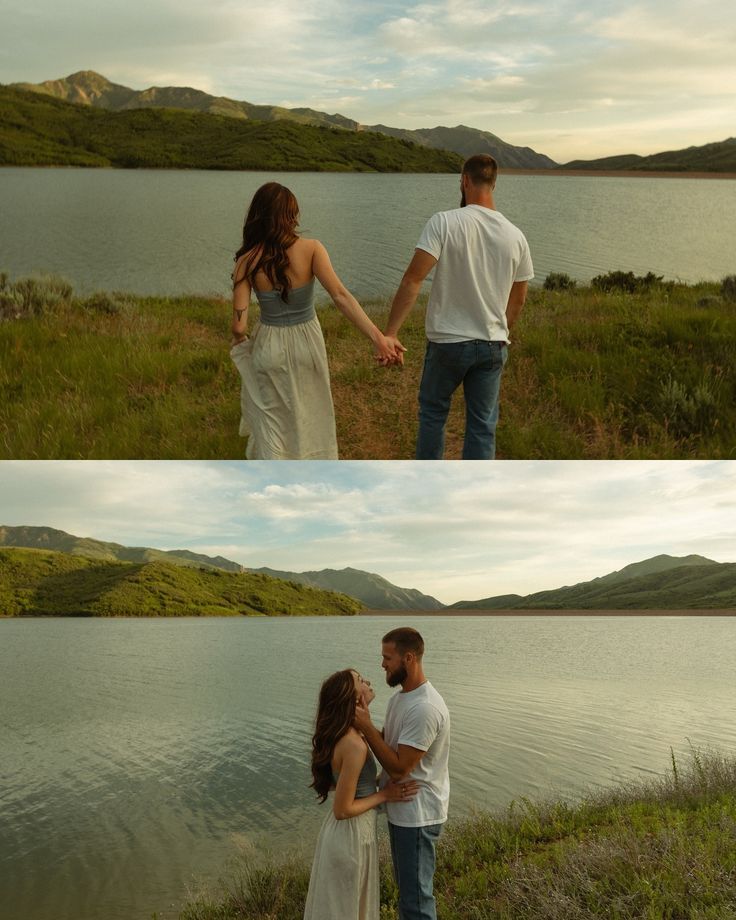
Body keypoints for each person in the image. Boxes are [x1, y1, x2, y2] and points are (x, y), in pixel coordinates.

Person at [230, 182, 403, 459]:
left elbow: (238, 326)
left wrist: (241, 340)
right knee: (312, 416)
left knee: (273, 423)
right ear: (290, 214)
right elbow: (341, 296)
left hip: (268, 345)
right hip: (306, 343)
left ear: (257, 216)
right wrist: (378, 338)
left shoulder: (247, 260)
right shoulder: (311, 249)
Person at [381, 154, 534, 459]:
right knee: (481, 426)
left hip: (448, 343)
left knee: (433, 415)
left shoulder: (444, 222)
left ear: (465, 181)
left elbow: (413, 280)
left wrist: (391, 333)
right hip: (492, 345)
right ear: (494, 184)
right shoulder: (516, 236)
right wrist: (500, 331)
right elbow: (518, 299)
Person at [304, 668, 418, 920]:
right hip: (350, 835)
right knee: (347, 910)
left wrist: (380, 782)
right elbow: (342, 809)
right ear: (353, 698)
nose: (367, 680)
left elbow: (348, 784)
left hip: (345, 834)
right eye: (360, 680)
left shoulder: (346, 736)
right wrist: (385, 794)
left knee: (343, 908)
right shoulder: (354, 744)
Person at [354, 628, 450, 920]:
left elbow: (399, 767)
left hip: (418, 815)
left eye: (388, 657)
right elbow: (388, 741)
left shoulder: (425, 707)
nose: (382, 664)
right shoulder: (400, 699)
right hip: (403, 811)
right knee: (408, 893)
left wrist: (367, 727)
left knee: (416, 901)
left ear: (409, 658)